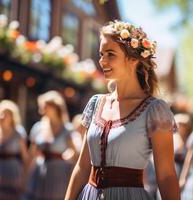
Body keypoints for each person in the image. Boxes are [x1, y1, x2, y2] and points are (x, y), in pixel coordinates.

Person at [65, 20, 180, 200]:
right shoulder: (96, 103)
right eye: (101, 54)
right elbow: (82, 166)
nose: (102, 60)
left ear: (133, 59)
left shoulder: (155, 110)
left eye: (110, 54)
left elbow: (166, 176)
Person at [22, 90, 77, 200]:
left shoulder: (67, 129)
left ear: (55, 108)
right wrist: (25, 176)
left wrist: (68, 156)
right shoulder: (38, 127)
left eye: (46, 106)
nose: (43, 109)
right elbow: (31, 154)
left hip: (59, 174)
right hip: (40, 171)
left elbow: (75, 152)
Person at [0, 100, 30, 200]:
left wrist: (25, 178)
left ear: (12, 117)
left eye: (7, 114)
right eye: (1, 113)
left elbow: (25, 157)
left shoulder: (19, 133)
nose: (3, 116)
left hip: (12, 172)